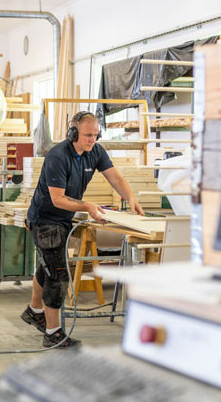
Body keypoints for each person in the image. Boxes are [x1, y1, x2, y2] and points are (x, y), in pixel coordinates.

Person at [20, 111, 145, 348]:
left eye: (96, 135)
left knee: (47, 267)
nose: (92, 140)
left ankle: (34, 311)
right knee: (57, 275)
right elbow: (57, 199)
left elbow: (115, 177)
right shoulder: (57, 156)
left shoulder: (94, 151)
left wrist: (130, 196)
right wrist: (87, 206)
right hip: (46, 219)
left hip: (63, 219)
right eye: (87, 135)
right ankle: (53, 333)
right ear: (73, 133)